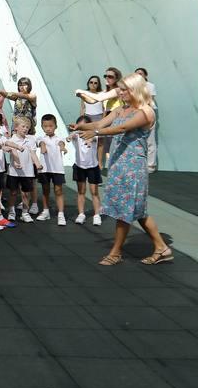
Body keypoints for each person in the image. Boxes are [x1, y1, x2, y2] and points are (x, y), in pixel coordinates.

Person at [73, 72, 173, 265]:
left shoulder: (145, 111)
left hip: (133, 167)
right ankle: (162, 248)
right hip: (119, 165)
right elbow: (101, 123)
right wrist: (80, 128)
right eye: (119, 89)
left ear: (135, 89)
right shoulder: (121, 109)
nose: (119, 92)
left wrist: (95, 132)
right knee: (138, 211)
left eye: (123, 89)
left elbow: (121, 129)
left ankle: (116, 252)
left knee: (126, 210)